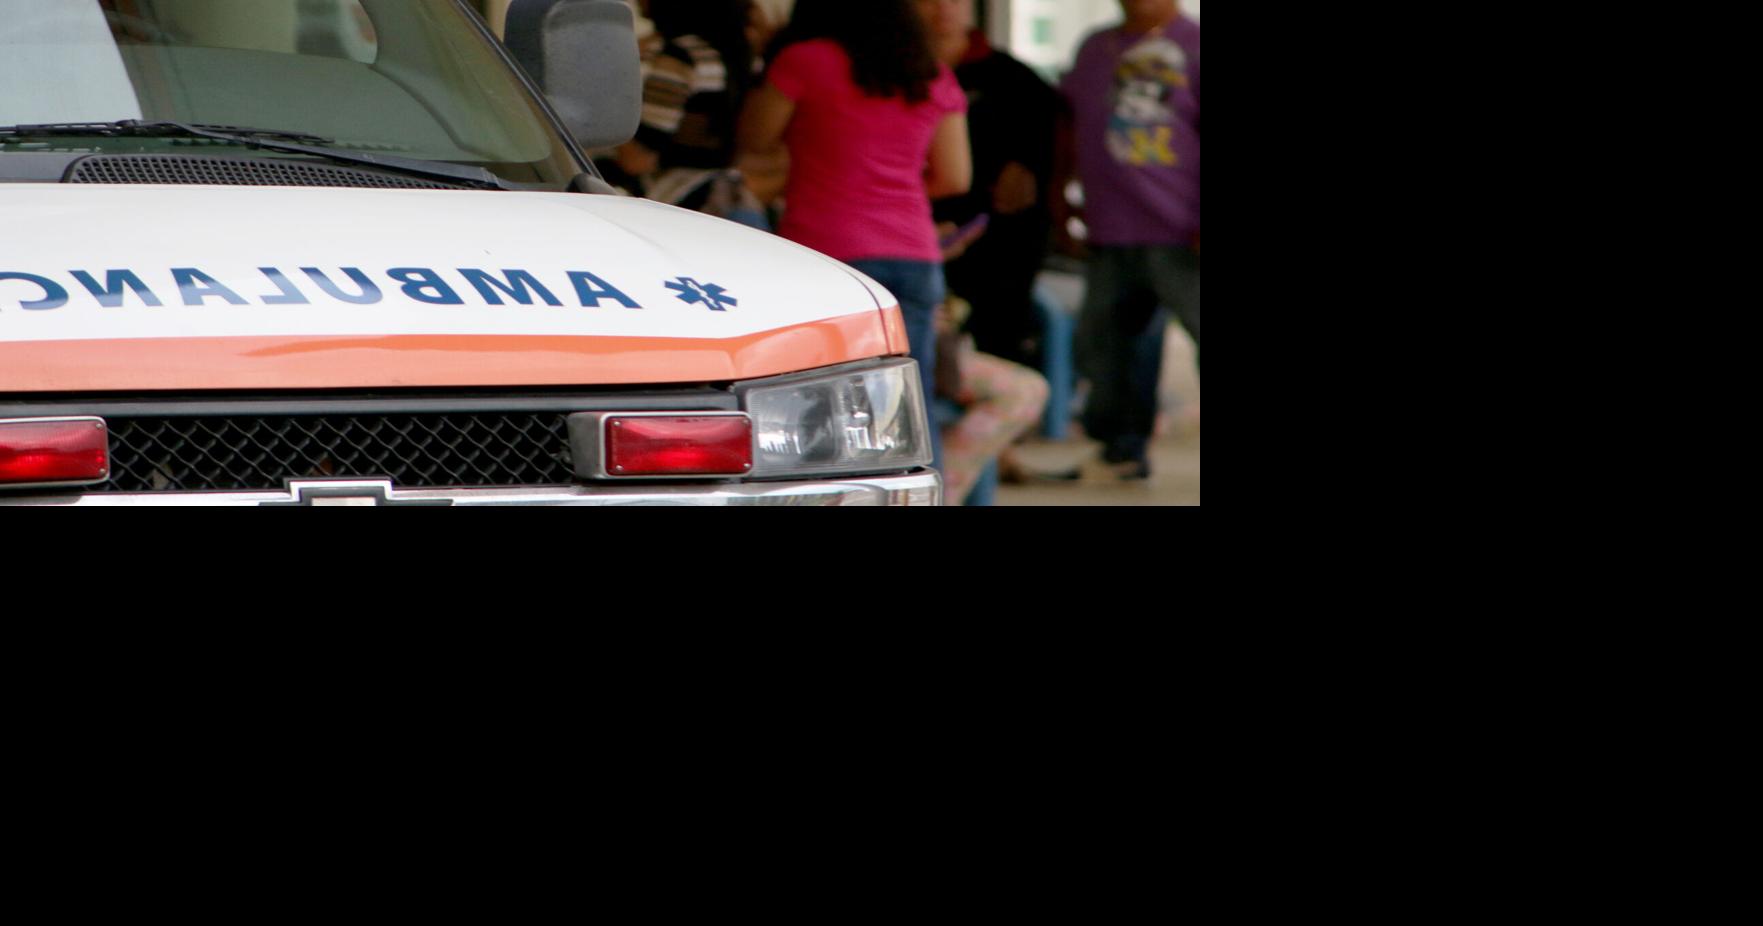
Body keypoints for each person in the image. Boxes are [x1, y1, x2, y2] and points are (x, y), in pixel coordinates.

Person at [738, 0, 971, 475]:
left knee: (818, 404)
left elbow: (752, 139)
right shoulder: (931, 74)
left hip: (826, 254)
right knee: (912, 406)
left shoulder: (803, 61)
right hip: (914, 256)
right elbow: (955, 176)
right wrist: (891, 189)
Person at [1056, 0, 1200, 480]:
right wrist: (1060, 201)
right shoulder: (1096, 48)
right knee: (1110, 345)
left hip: (1183, 229)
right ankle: (1120, 452)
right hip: (1111, 227)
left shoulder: (1194, 45)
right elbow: (1070, 127)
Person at [919, 0, 1060, 371]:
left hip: (995, 243)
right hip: (910, 233)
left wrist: (1029, 172)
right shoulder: (884, 76)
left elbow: (1044, 165)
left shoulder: (1017, 81)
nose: (943, 8)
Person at [617, 0, 766, 223]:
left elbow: (637, 159)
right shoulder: (739, 53)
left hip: (672, 200)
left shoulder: (681, 56)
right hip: (721, 198)